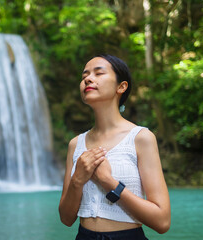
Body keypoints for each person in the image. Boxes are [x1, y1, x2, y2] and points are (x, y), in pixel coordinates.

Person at [58, 54, 171, 240]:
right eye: (84, 75)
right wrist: (78, 179)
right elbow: (66, 218)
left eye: (98, 73)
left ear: (121, 86)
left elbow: (162, 221)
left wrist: (109, 183)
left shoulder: (141, 138)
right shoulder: (75, 144)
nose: (87, 78)